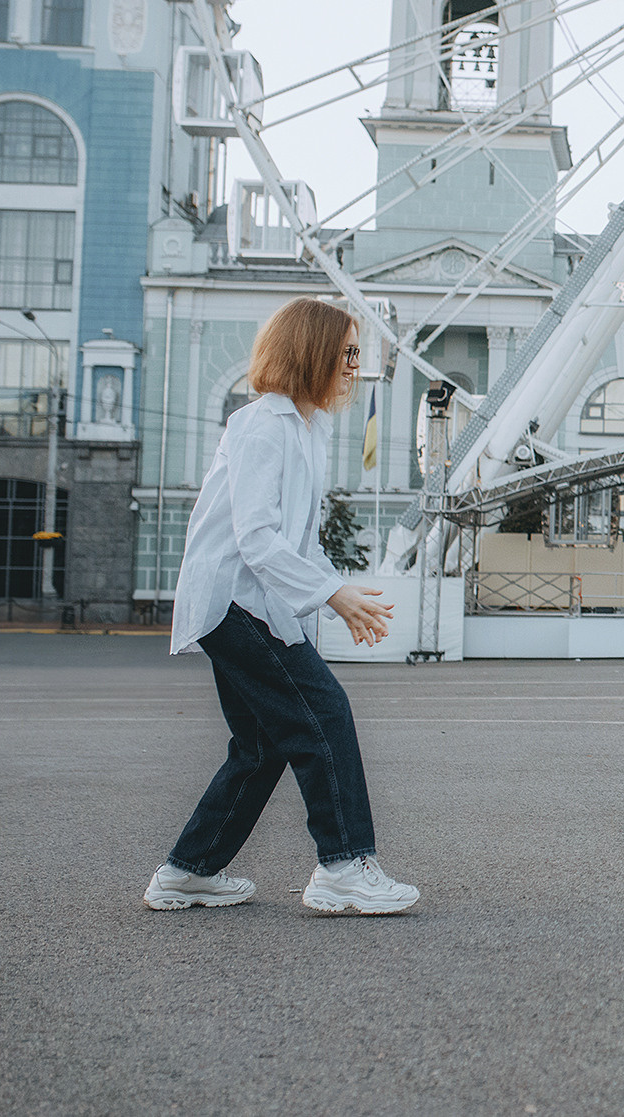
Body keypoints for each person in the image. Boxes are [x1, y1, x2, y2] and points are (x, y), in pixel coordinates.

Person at [143, 297, 420, 915]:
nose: (355, 366)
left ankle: (187, 871)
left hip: (254, 601)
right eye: (347, 353)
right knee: (325, 713)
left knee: (263, 745)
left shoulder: (305, 428)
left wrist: (335, 593)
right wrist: (329, 594)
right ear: (312, 352)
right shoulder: (263, 426)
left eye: (357, 355)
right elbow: (258, 538)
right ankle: (344, 866)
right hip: (235, 601)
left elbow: (297, 543)